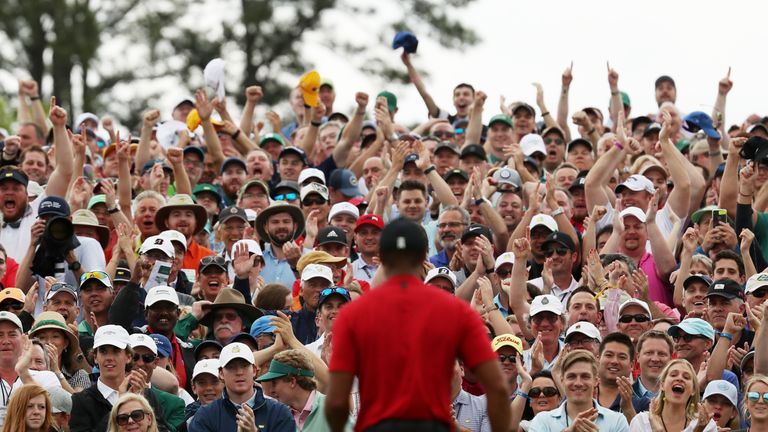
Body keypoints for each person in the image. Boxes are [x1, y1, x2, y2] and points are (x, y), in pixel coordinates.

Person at [325, 218, 511, 431]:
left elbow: (337, 401)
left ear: (382, 257)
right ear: (424, 256)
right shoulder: (456, 311)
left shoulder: (353, 314)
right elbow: (497, 387)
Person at [70, 325, 170, 432]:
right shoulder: (80, 401)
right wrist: (121, 403)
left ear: (129, 357)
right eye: (103, 351)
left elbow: (162, 429)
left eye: (116, 351)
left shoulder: (146, 394)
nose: (109, 358)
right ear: (95, 357)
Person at [187, 342, 294, 431]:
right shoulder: (205, 416)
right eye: (231, 367)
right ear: (221, 373)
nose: (239, 372)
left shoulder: (279, 413)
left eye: (244, 366)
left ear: (254, 370)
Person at [528, 350, 629, 431]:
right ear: (562, 381)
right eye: (571, 376)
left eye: (585, 376)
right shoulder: (542, 421)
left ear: (596, 381)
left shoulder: (617, 421)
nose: (578, 383)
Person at [256, 349, 352, 431]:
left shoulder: (332, 409)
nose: (272, 390)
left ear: (292, 381)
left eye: (274, 383)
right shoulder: (279, 414)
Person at [629, 359, 717, 432]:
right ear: (662, 385)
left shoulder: (706, 425)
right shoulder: (641, 422)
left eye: (686, 377)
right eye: (673, 375)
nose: (679, 379)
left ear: (693, 390)